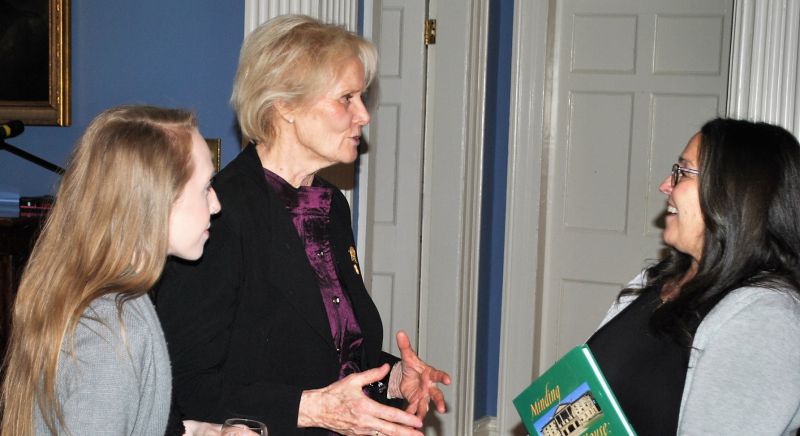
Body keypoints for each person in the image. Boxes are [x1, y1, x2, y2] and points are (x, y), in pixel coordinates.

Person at [154, 15, 451, 436]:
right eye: (346, 98)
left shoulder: (329, 206)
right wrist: (311, 410)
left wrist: (391, 375)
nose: (364, 114)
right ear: (285, 106)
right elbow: (187, 383)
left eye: (362, 97)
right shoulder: (218, 214)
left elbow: (330, 354)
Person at [0, 105, 221, 435]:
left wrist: (195, 430)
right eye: (205, 187)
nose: (216, 204)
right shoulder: (110, 329)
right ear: (157, 200)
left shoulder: (106, 298)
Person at [587, 118, 800, 434]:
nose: (665, 185)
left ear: (733, 193)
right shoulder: (652, 281)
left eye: (684, 172)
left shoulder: (764, 318)